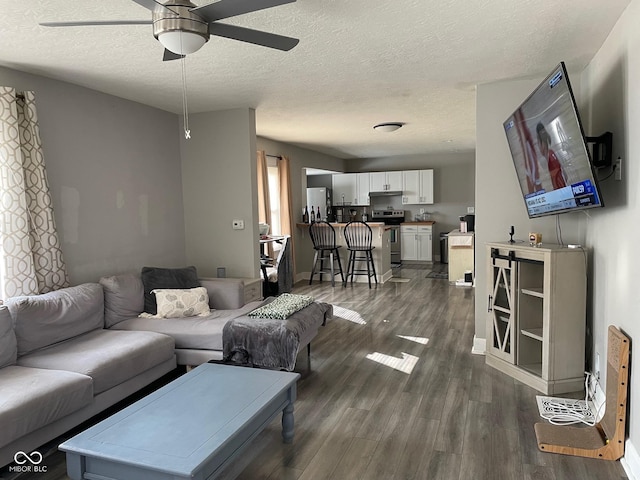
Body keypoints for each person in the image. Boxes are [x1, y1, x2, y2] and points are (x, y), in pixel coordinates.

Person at [536, 122, 567, 190]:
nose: (543, 132)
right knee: (559, 188)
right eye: (541, 131)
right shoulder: (541, 143)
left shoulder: (550, 148)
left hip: (556, 168)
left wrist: (563, 170)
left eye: (543, 130)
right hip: (553, 171)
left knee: (563, 186)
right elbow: (543, 152)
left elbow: (558, 162)